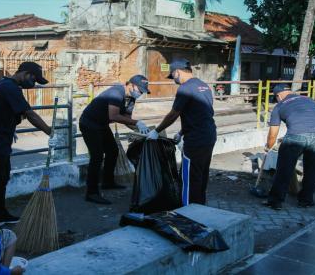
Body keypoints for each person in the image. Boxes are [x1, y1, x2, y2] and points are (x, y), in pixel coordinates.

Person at [0, 62, 57, 224]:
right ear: (25, 74)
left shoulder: (1, 84)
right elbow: (30, 115)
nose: (33, 84)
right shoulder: (10, 88)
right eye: (33, 79)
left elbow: (3, 110)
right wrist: (50, 132)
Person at [147, 59, 217, 205]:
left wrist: (156, 131)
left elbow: (174, 114)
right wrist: (181, 132)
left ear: (177, 72)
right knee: (201, 174)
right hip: (209, 135)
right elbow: (198, 114)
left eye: (173, 76)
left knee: (189, 177)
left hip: (196, 139)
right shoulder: (203, 86)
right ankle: (200, 206)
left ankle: (188, 212)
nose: (174, 81)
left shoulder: (185, 88)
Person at [79, 75, 151, 205]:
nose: (140, 93)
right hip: (89, 123)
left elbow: (127, 118)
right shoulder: (116, 93)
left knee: (113, 151)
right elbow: (114, 115)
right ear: (131, 85)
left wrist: (140, 130)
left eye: (142, 91)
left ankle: (107, 182)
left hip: (102, 124)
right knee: (97, 156)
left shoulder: (131, 99)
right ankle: (92, 193)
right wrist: (137, 122)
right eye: (140, 90)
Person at [263, 86, 315, 210]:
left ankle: (275, 201)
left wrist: (268, 146)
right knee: (313, 169)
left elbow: (273, 133)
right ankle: (306, 200)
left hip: (296, 135)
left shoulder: (279, 106)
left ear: (279, 96)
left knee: (284, 168)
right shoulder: (308, 99)